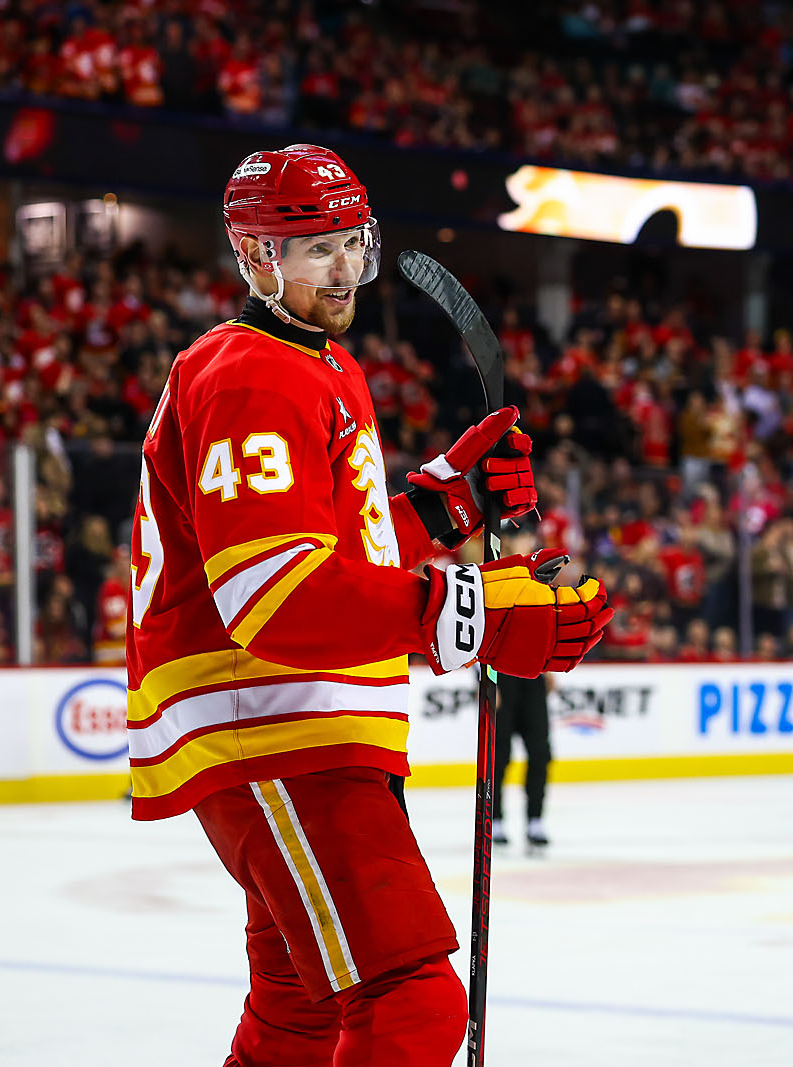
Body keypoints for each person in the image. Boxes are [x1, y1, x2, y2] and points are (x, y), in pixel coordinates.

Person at [126, 144, 613, 1067]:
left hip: (291, 723)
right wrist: (475, 609)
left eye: (353, 242)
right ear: (256, 257)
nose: (345, 268)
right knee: (412, 999)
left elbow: (334, 555)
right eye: (316, 249)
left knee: (299, 1019)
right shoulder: (250, 372)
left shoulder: (317, 366)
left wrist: (441, 504)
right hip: (270, 720)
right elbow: (274, 598)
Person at [494, 670, 552, 849]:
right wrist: (483, 680)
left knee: (540, 753)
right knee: (498, 755)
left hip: (534, 676)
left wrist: (549, 669)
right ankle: (494, 819)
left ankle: (535, 819)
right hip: (500, 677)